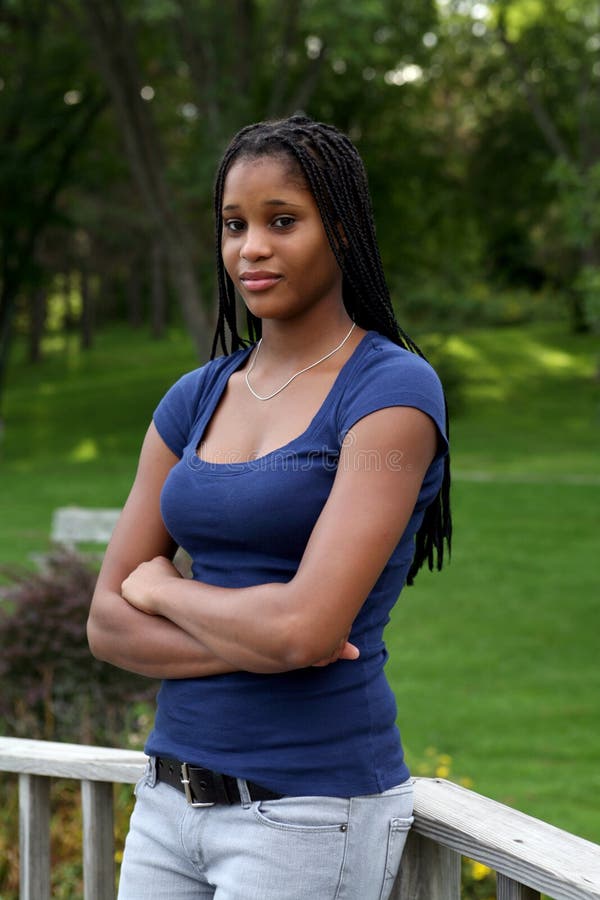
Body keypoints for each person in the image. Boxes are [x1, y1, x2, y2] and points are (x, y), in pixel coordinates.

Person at [87, 115, 452, 900]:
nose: (251, 247)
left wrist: (162, 591)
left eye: (282, 221)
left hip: (307, 812)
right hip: (167, 799)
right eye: (234, 225)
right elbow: (106, 624)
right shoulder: (195, 397)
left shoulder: (390, 392)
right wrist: (278, 638)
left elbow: (303, 628)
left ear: (343, 230)